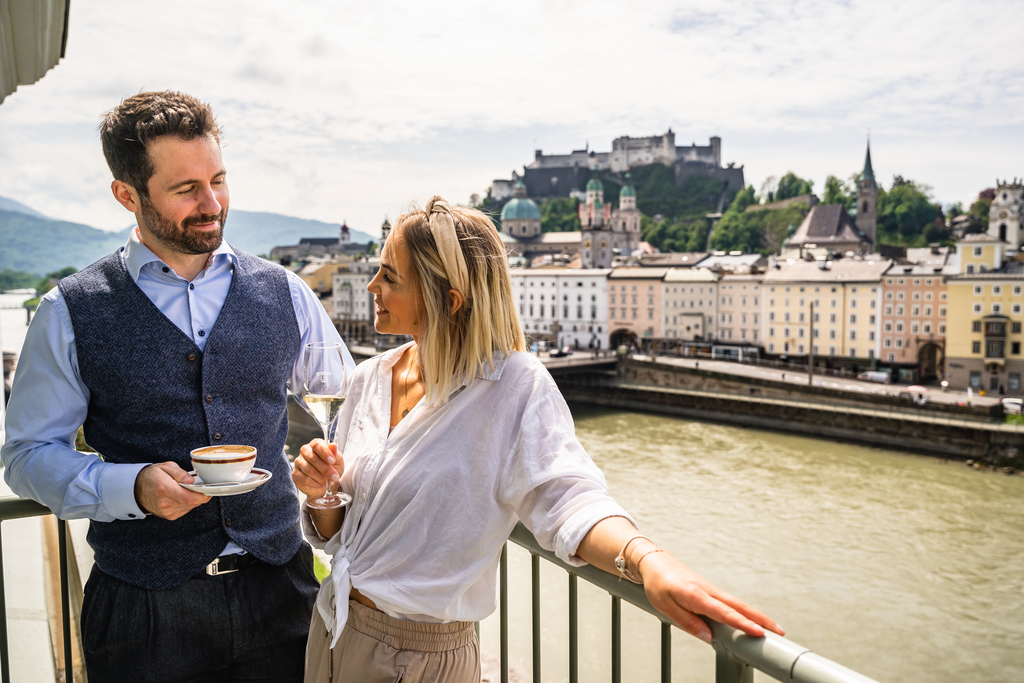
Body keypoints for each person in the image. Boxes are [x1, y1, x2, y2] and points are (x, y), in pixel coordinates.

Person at [292, 197, 782, 683]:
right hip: (334, 629)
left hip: (417, 660)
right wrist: (320, 495)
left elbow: (570, 500)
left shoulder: (512, 385)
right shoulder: (368, 379)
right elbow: (345, 533)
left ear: (448, 300)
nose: (372, 285)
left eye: (390, 277)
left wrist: (651, 564)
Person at [1, 91, 354, 682]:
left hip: (283, 593)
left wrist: (324, 483)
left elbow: (353, 407)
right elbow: (27, 457)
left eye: (218, 179)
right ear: (127, 195)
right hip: (144, 615)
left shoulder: (286, 292)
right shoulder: (68, 311)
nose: (211, 203)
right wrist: (129, 486)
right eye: (186, 188)